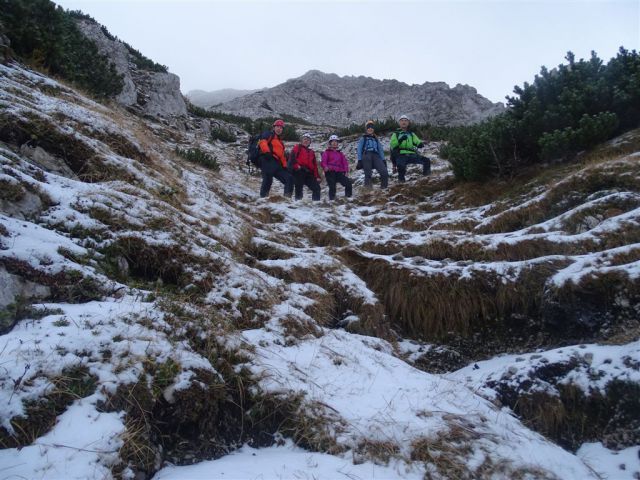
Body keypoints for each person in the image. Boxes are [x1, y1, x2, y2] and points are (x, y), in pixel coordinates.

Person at [258, 119, 293, 198]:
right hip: (268, 159)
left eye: (281, 128)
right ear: (274, 127)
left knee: (289, 178)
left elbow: (282, 156)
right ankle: (263, 199)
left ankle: (287, 200)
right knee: (268, 179)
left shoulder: (281, 142)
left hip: (277, 163)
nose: (279, 129)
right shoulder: (268, 134)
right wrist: (267, 152)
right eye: (277, 126)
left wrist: (285, 166)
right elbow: (263, 142)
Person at [389, 114, 430, 182]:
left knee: (426, 161)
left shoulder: (411, 134)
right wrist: (400, 140)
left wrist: (420, 144)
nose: (404, 122)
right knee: (400, 166)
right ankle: (401, 181)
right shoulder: (396, 134)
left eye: (405, 121)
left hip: (412, 154)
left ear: (408, 123)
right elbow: (393, 145)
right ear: (399, 123)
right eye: (402, 121)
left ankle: (426, 178)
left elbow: (417, 141)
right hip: (401, 154)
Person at [288, 132, 321, 201]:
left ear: (310, 142)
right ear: (301, 140)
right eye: (304, 139)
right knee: (299, 187)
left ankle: (316, 203)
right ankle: (298, 202)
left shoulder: (311, 152)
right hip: (299, 171)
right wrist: (297, 166)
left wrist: (317, 176)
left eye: (308, 140)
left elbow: (314, 165)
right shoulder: (297, 148)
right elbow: (291, 159)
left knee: (317, 188)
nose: (306, 141)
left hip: (309, 173)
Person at [356, 120, 388, 189]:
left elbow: (380, 150)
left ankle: (384, 188)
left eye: (371, 127)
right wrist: (359, 160)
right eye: (368, 127)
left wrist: (383, 160)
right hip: (366, 155)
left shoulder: (376, 139)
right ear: (366, 129)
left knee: (384, 172)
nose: (370, 128)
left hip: (376, 156)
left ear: (373, 129)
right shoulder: (363, 138)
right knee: (368, 174)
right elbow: (359, 149)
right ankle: (368, 191)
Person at [321, 134, 352, 200]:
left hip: (339, 172)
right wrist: (325, 167)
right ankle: (332, 201)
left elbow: (345, 163)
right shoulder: (326, 152)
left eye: (336, 142)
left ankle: (348, 198)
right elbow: (323, 162)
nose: (335, 143)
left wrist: (346, 171)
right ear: (330, 143)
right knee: (332, 187)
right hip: (330, 172)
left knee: (348, 183)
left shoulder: (340, 154)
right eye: (333, 141)